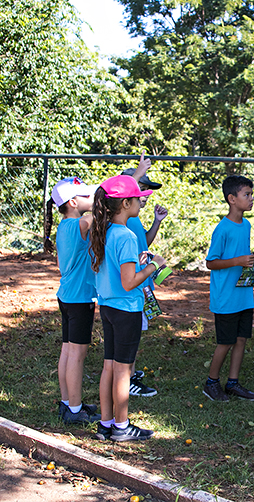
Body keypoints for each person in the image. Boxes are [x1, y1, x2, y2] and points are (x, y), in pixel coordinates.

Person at [90, 175, 166, 441]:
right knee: (123, 370)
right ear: (125, 204)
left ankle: (106, 423)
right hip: (127, 310)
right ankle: (121, 427)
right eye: (138, 199)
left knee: (109, 367)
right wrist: (154, 265)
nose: (140, 203)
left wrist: (140, 263)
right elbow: (129, 282)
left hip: (108, 307)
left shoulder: (105, 231)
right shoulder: (126, 235)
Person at [203, 175, 254, 402]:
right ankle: (211, 382)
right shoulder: (222, 229)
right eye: (247, 194)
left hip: (244, 295)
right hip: (226, 297)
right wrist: (237, 261)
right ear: (232, 199)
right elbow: (211, 262)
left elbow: (242, 256)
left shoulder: (246, 224)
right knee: (225, 342)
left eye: (251, 194)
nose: (251, 198)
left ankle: (233, 383)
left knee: (241, 339)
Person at [49, 177, 101, 425]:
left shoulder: (64, 226)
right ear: (72, 202)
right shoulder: (81, 223)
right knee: (77, 355)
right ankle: (75, 409)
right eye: (86, 195)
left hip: (67, 296)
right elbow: (102, 208)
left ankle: (67, 402)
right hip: (80, 299)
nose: (91, 199)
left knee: (68, 351)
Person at [120, 167, 167, 398]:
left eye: (147, 190)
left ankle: (130, 371)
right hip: (133, 284)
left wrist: (157, 222)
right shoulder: (124, 221)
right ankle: (126, 379)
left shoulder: (134, 218)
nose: (146, 194)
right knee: (130, 332)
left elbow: (143, 243)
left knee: (136, 330)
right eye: (142, 188)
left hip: (141, 284)